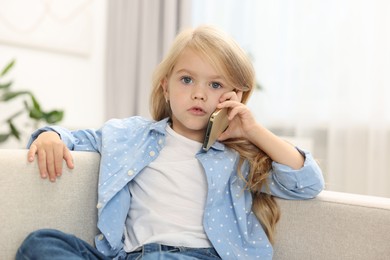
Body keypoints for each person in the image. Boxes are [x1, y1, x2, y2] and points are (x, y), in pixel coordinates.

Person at [16, 25, 324, 260]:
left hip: (197, 256)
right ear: (166, 87)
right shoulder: (131, 135)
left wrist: (254, 130)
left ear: (235, 96)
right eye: (187, 80)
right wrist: (50, 136)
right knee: (39, 245)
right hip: (133, 255)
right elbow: (76, 138)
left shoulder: (238, 157)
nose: (199, 94)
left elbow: (307, 181)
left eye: (215, 84)